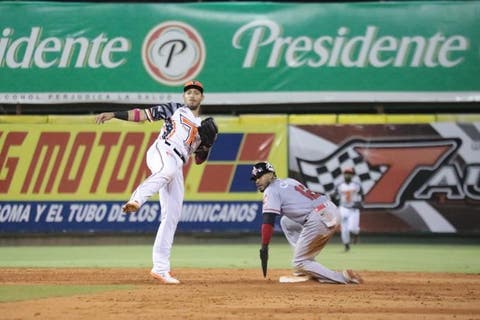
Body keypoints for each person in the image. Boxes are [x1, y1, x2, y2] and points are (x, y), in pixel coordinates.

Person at [95, 80, 218, 284]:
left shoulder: (203, 125)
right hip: (163, 150)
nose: (192, 95)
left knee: (172, 215)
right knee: (166, 170)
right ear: (184, 96)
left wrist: (209, 143)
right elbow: (143, 115)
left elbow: (199, 159)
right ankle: (136, 199)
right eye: (188, 92)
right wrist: (115, 114)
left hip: (178, 162)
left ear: (202, 97)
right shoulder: (174, 109)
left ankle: (160, 269)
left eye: (196, 92)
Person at [251, 161, 363, 284]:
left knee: (299, 262)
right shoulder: (289, 181)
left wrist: (264, 247)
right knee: (286, 222)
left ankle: (342, 277)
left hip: (319, 217)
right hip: (330, 209)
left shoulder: (270, 190)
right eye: (255, 178)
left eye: (260, 176)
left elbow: (268, 221)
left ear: (271, 174)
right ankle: (304, 265)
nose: (257, 181)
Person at [332, 167, 364, 252]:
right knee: (344, 229)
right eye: (346, 173)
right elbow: (334, 196)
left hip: (353, 208)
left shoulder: (356, 185)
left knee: (353, 228)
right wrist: (334, 202)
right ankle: (346, 246)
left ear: (352, 175)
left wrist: (360, 202)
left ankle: (356, 234)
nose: (347, 175)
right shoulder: (340, 185)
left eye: (349, 173)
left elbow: (362, 195)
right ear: (343, 174)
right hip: (343, 208)